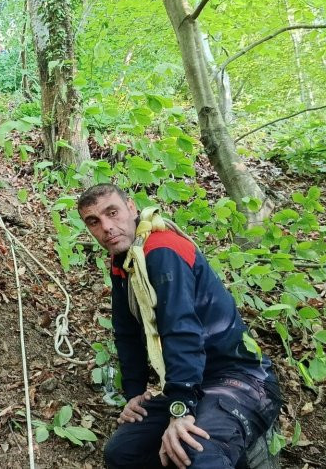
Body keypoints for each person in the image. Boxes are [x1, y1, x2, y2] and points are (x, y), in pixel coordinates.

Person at [77, 184, 282, 469]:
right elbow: (125, 331)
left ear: (132, 208)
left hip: (240, 378)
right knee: (123, 452)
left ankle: (245, 451)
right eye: (94, 222)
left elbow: (181, 330)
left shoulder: (162, 250)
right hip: (193, 381)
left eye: (113, 213)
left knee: (198, 453)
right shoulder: (124, 261)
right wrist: (134, 393)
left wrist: (181, 409)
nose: (107, 227)